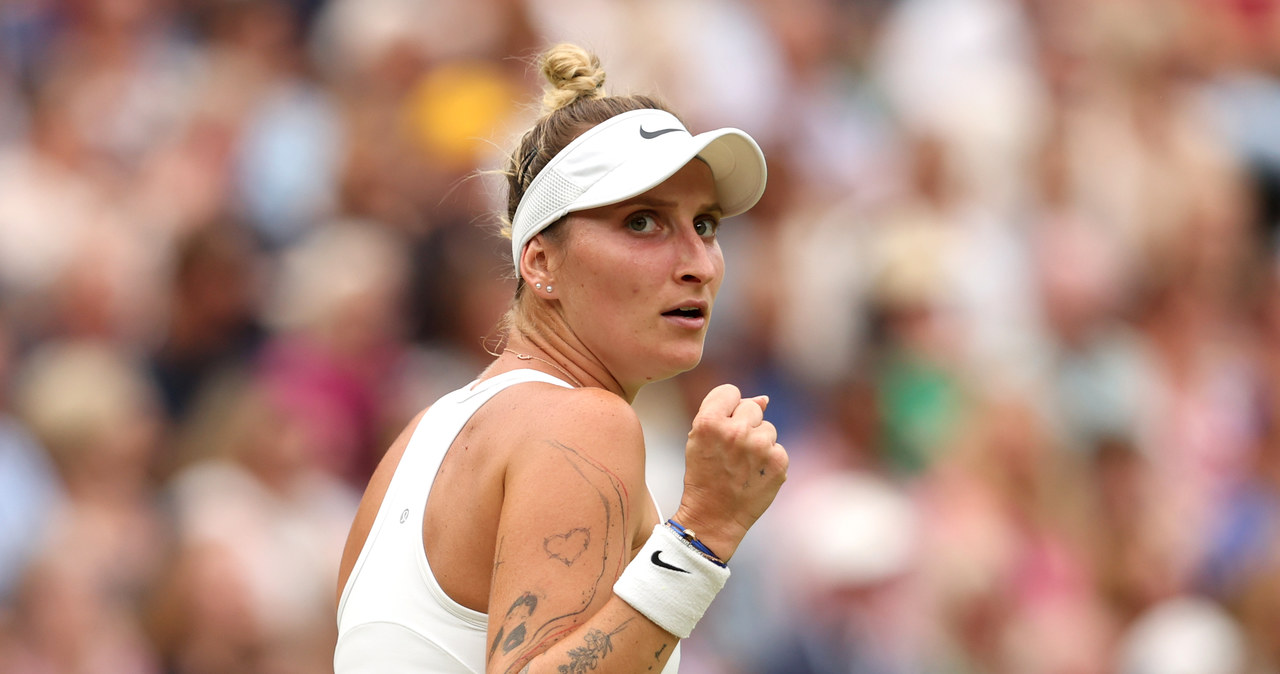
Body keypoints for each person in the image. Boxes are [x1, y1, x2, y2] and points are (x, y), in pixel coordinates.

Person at [333, 43, 787, 674]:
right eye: (642, 222)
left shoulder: (418, 440)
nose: (698, 263)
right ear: (540, 261)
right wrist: (704, 531)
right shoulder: (584, 422)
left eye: (705, 224)